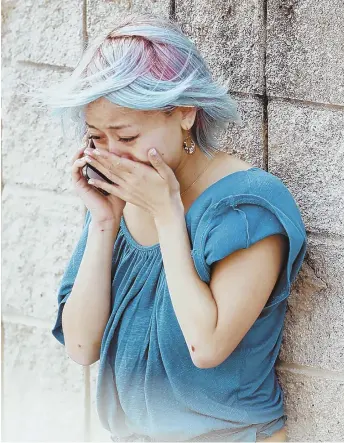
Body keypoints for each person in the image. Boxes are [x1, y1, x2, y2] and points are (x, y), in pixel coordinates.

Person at [36, 13, 308, 442]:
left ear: (185, 113)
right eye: (95, 138)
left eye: (125, 137)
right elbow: (81, 346)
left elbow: (208, 346)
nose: (112, 156)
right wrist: (105, 222)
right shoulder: (119, 198)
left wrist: (167, 215)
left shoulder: (247, 207)